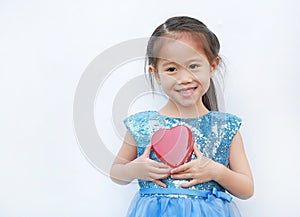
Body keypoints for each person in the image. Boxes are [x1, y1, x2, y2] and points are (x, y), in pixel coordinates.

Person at [110, 16, 254, 217]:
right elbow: (116, 171)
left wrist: (216, 172)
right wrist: (134, 169)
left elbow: (247, 188)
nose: (184, 79)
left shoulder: (224, 127)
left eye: (193, 66)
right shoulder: (142, 124)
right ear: (156, 73)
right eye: (171, 69)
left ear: (212, 66)